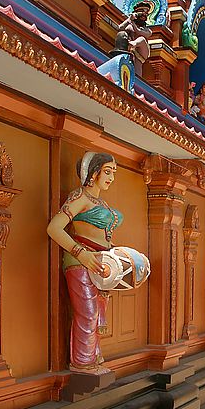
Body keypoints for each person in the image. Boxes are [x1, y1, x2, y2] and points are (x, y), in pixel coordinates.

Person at [46, 152, 122, 373]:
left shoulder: (101, 202)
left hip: (101, 262)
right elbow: (54, 228)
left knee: (98, 315)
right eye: (107, 172)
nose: (111, 178)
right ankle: (82, 363)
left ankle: (93, 359)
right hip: (81, 261)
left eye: (113, 173)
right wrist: (81, 254)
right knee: (88, 314)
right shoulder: (80, 197)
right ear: (94, 173)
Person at [117, 2, 152, 75]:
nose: (144, 15)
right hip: (132, 51)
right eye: (141, 13)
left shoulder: (148, 30)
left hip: (142, 51)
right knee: (136, 69)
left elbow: (139, 32)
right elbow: (120, 28)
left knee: (142, 39)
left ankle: (134, 43)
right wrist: (129, 19)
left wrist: (132, 23)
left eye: (146, 14)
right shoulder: (130, 26)